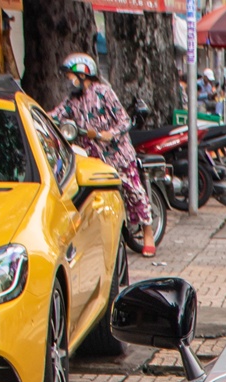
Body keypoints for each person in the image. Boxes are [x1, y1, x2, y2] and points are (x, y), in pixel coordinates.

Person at [52, 54, 156, 257]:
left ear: (83, 74)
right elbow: (55, 115)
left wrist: (109, 133)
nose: (68, 80)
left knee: (133, 191)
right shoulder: (72, 100)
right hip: (93, 159)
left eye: (70, 75)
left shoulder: (103, 92)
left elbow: (124, 120)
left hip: (117, 154)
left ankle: (147, 233)